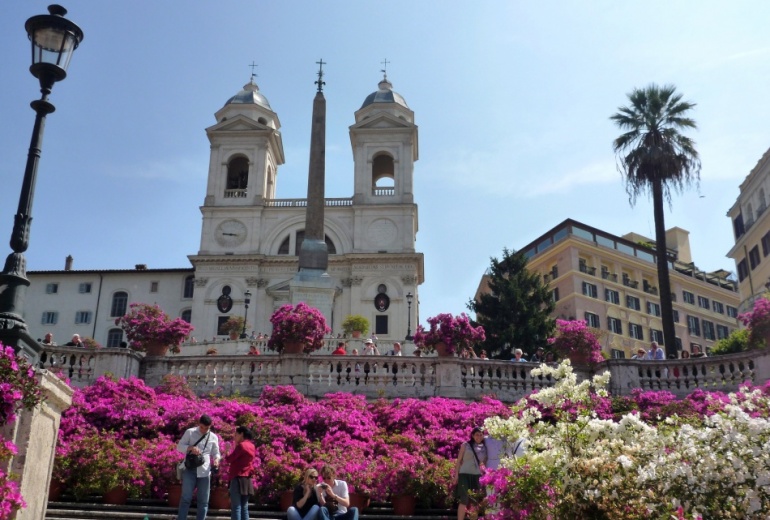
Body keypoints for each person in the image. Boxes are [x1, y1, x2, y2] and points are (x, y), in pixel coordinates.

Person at [176, 414, 221, 520]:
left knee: (204, 501)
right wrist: (190, 448)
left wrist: (217, 460)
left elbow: (216, 453)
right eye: (202, 427)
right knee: (186, 498)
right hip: (190, 469)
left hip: (205, 471)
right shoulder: (190, 432)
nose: (204, 430)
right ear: (198, 424)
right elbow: (179, 447)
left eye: (207, 428)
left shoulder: (213, 437)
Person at [453, 427, 488, 520]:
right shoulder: (465, 445)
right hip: (464, 474)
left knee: (475, 500)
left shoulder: (484, 447)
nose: (479, 437)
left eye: (481, 435)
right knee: (464, 500)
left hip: (477, 476)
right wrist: (456, 475)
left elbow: (484, 462)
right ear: (472, 435)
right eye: (477, 434)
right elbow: (459, 461)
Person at [224, 426, 256, 520]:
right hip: (247, 479)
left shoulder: (241, 445)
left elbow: (229, 459)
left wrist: (226, 451)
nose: (234, 437)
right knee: (244, 507)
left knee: (236, 507)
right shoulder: (251, 445)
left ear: (241, 434)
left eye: (236, 434)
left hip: (237, 478)